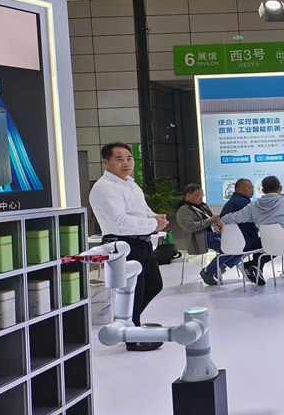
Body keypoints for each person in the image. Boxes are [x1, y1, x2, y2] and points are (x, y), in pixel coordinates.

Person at [88, 142, 168, 352]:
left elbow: (143, 210)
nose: (126, 163)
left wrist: (156, 218)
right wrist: (153, 224)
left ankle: (129, 324)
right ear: (106, 162)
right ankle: (132, 336)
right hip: (123, 243)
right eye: (119, 159)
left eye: (129, 158)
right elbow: (119, 223)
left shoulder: (130, 183)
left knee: (153, 285)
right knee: (134, 289)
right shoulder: (105, 187)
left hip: (141, 241)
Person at [219, 175, 284, 282]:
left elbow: (230, 218)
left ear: (263, 190)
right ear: (280, 188)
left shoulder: (253, 206)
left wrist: (219, 222)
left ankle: (256, 265)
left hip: (268, 245)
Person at [176, 184, 245, 286]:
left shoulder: (202, 206)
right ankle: (208, 271)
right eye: (198, 196)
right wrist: (210, 220)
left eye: (202, 196)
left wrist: (217, 224)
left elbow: (210, 220)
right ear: (188, 195)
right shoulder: (183, 210)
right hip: (201, 238)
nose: (200, 199)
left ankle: (220, 266)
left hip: (213, 234)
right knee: (229, 249)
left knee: (242, 247)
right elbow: (190, 227)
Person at [220, 178, 267, 285]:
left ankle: (254, 268)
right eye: (249, 188)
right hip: (245, 241)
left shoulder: (233, 201)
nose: (252, 190)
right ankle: (253, 267)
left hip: (232, 240)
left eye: (253, 188)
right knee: (269, 243)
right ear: (239, 189)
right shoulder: (243, 203)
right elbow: (253, 222)